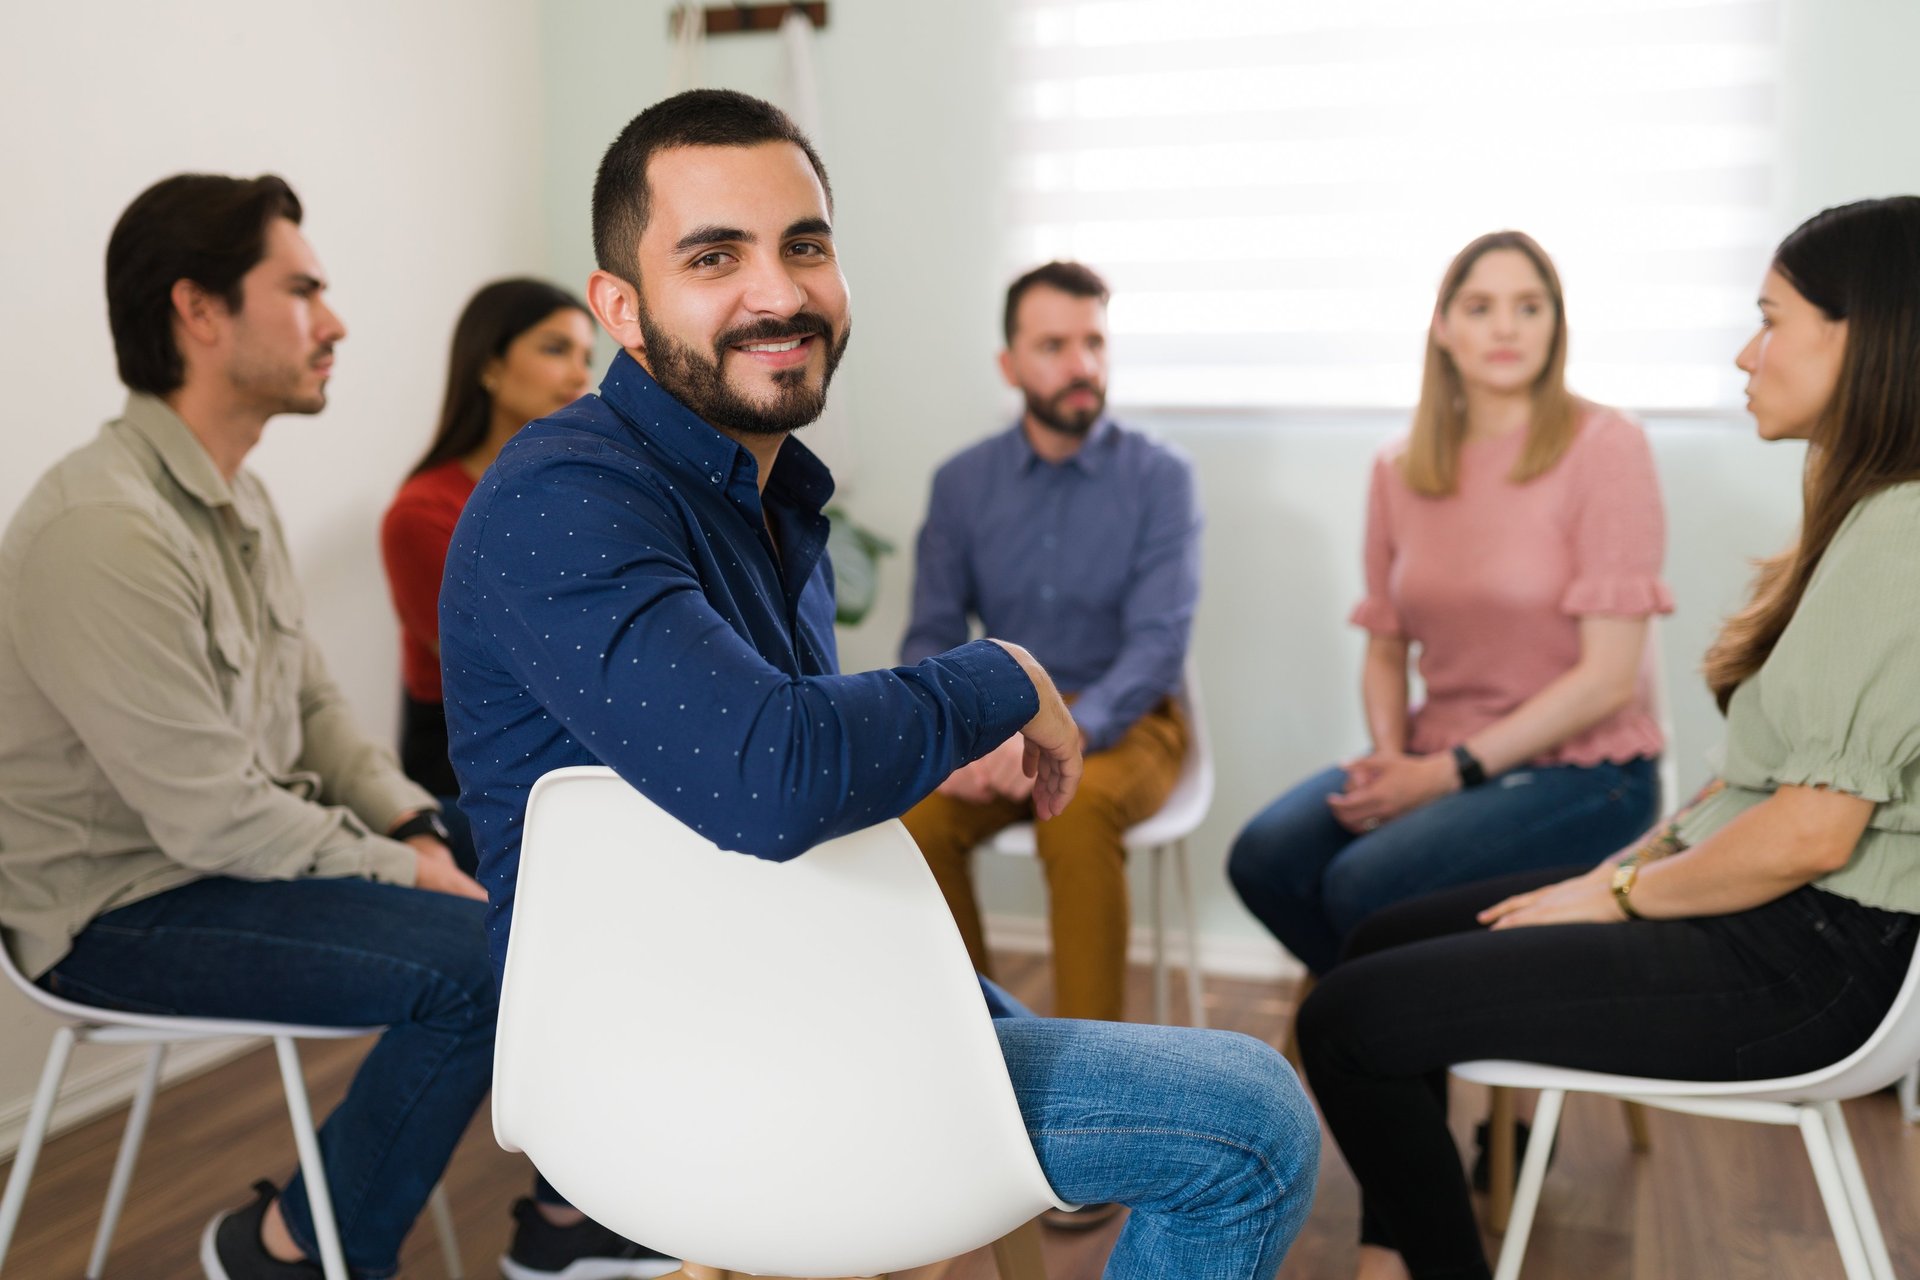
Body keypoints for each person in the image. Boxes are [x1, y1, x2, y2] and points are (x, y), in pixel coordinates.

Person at [439, 89, 1318, 1278]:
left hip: (807, 978)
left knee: (1007, 1013)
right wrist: (1000, 674)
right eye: (715, 255)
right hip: (684, 1063)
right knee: (1254, 1123)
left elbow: (781, 763)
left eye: (805, 244)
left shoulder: (767, 497)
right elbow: (772, 772)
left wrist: (928, 732)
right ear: (622, 310)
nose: (781, 291)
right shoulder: (562, 496)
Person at [0, 174, 670, 1280]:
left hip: (222, 862)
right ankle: (289, 1248)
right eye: (302, 289)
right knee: (481, 963)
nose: (337, 320)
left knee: (559, 864)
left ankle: (566, 1218)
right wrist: (404, 871)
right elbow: (209, 814)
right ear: (200, 312)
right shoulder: (102, 531)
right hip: (121, 908)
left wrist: (416, 821)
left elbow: (314, 713)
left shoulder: (234, 496)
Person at [1298, 196, 1920, 1280]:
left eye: (1771, 320)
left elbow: (1813, 835)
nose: (1746, 350)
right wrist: (1630, 864)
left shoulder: (1901, 530)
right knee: (1378, 941)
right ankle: (1406, 1247)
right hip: (1781, 919)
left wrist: (1620, 893)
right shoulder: (1869, 511)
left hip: (1805, 963)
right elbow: (1759, 785)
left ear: (1858, 336)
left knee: (1347, 1018)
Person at [1228, 231, 1669, 979]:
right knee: (1265, 858)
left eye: (1529, 306)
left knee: (1363, 885)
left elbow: (1609, 680)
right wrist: (1394, 758)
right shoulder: (1398, 467)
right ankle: (1391, 1041)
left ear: (1556, 324)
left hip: (1587, 773)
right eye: (1480, 306)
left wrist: (1442, 776)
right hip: (1437, 748)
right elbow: (1386, 642)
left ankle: (1375, 1043)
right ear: (1443, 327)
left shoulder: (1607, 445)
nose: (1505, 327)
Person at [898, 260, 1200, 1025]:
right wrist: (956, 740)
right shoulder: (962, 484)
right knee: (915, 821)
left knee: (1079, 809)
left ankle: (1092, 1075)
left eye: (1095, 342)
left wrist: (1068, 732)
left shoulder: (1161, 478)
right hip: (1000, 726)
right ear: (1010, 365)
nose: (1082, 365)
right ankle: (977, 1048)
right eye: (1055, 345)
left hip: (1126, 724)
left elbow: (1157, 646)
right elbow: (932, 632)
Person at [380, 278, 594, 872]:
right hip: (468, 771)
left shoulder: (577, 496)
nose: (579, 375)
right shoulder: (421, 514)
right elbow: (513, 672)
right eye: (556, 349)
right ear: (490, 367)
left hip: (571, 749)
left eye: (586, 356)